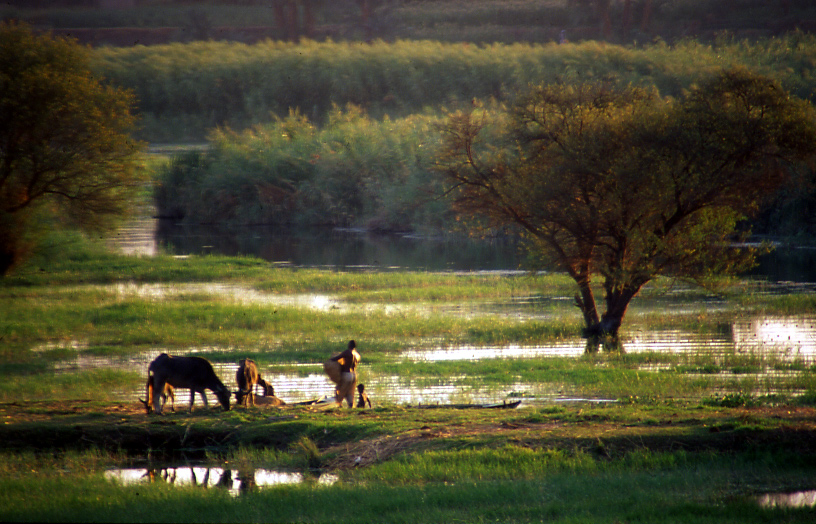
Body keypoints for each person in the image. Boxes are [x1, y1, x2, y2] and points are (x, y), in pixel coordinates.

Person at [323, 340, 360, 407]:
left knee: (339, 390)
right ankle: (350, 406)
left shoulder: (347, 352)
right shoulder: (357, 354)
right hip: (354, 375)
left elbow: (336, 358)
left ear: (350, 345)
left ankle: (338, 405)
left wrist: (329, 361)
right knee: (350, 392)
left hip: (347, 374)